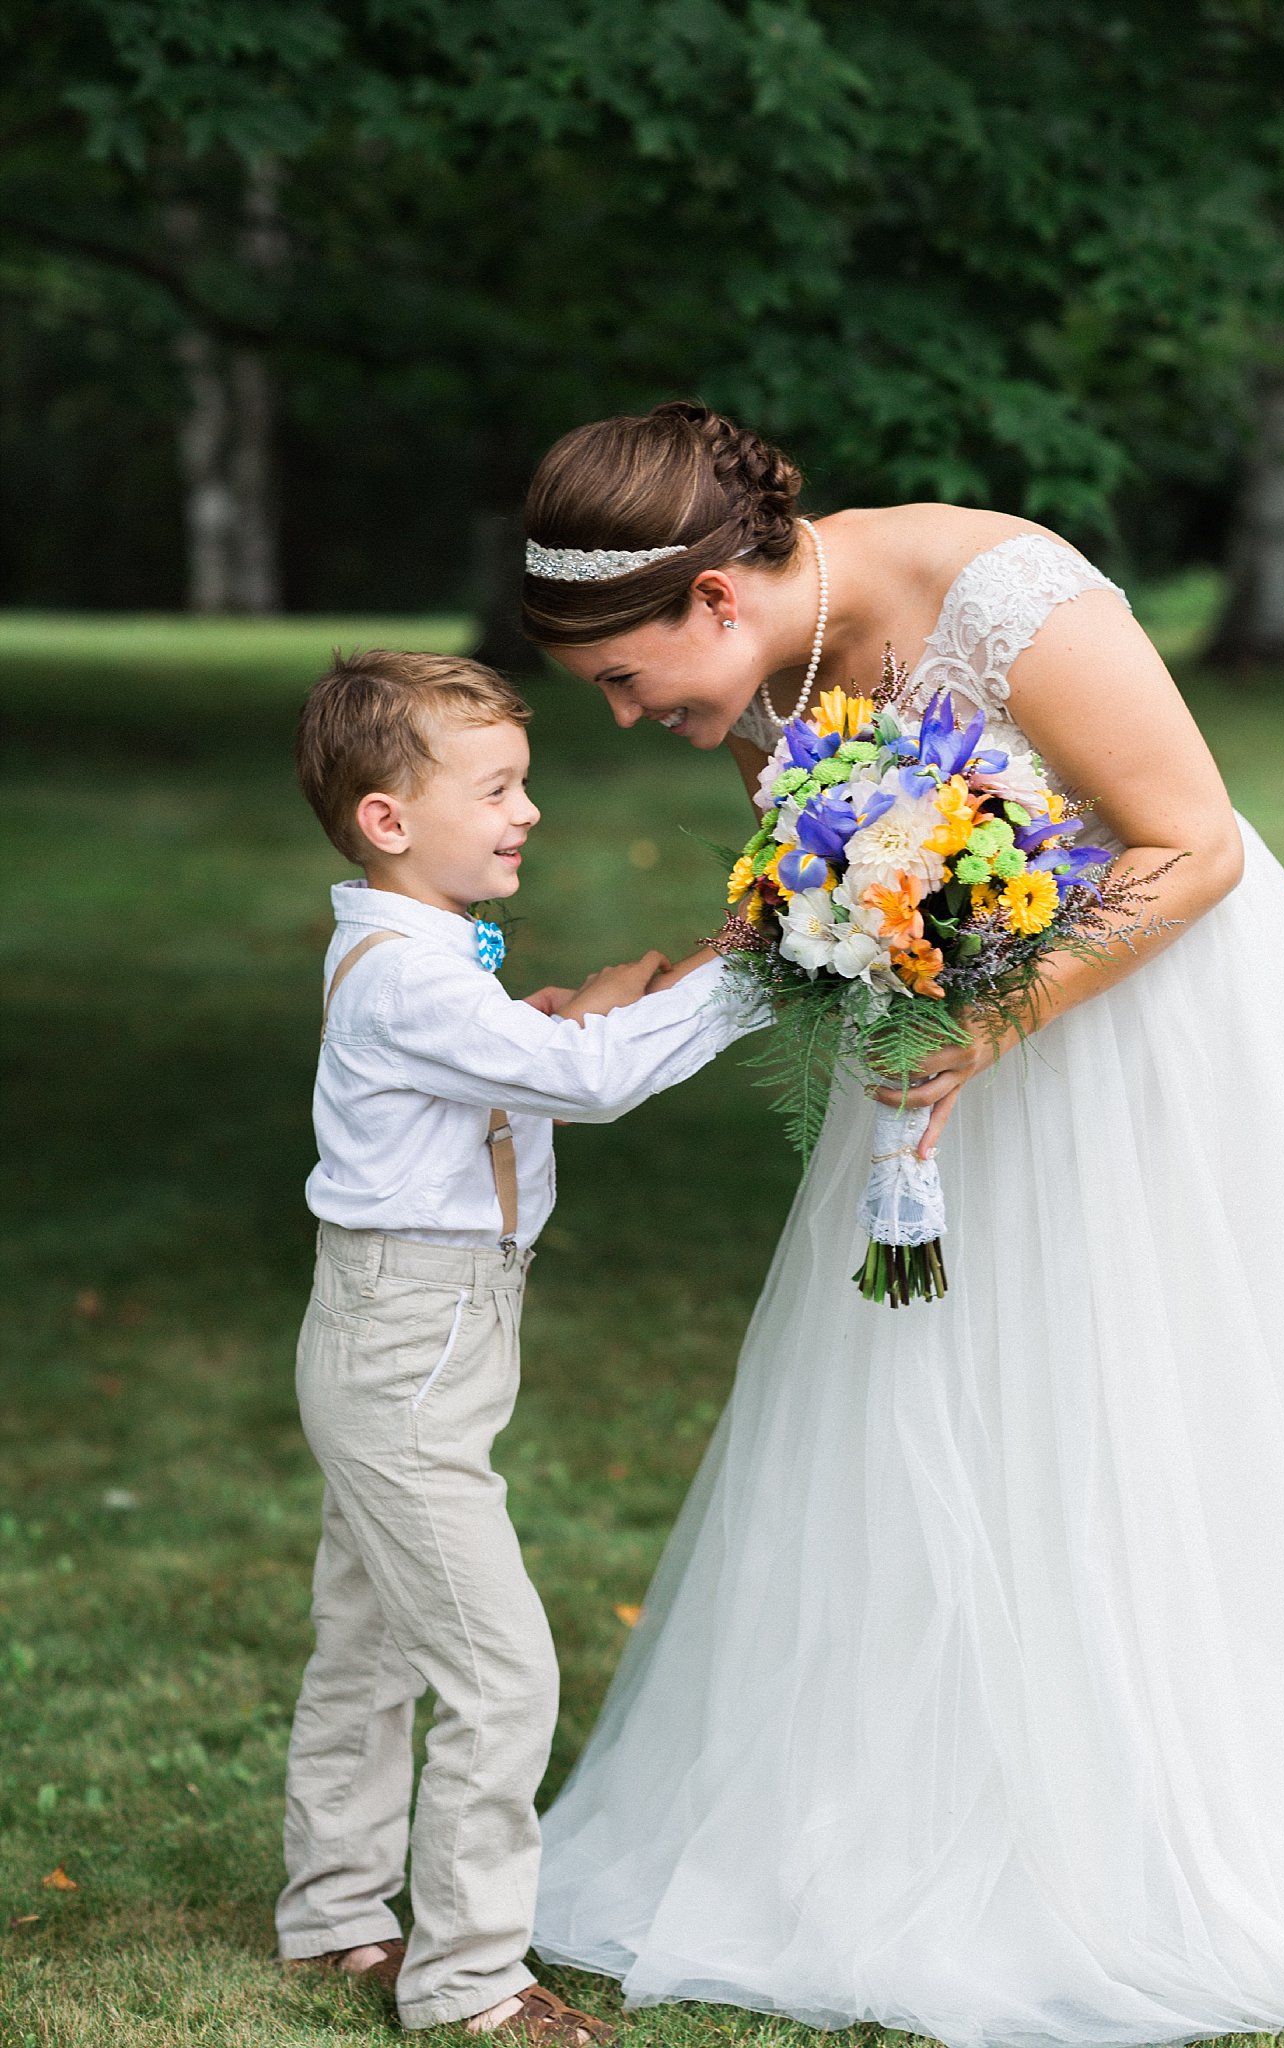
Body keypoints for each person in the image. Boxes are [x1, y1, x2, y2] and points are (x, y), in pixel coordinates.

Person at [519, 402, 1284, 2048]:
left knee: (1146, 1394)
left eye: (625, 680)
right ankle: (927, 1799)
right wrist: (631, 992)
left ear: (709, 598)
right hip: (941, 1052)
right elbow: (793, 904)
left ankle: (1170, 1799)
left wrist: (982, 1027)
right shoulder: (773, 671)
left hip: (1141, 1038)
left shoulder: (1005, 595)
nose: (627, 716)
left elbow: (1188, 850)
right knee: (929, 1398)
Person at [274, 649, 762, 2038]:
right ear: (387, 822)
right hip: (403, 1344)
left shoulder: (425, 963)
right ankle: (470, 1979)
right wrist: (738, 987)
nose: (528, 810)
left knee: (369, 1640)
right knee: (501, 1673)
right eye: (495, 788)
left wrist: (566, 1015)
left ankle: (331, 1915)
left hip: (420, 1327)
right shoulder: (403, 979)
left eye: (525, 784)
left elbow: (516, 1068)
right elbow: (589, 1088)